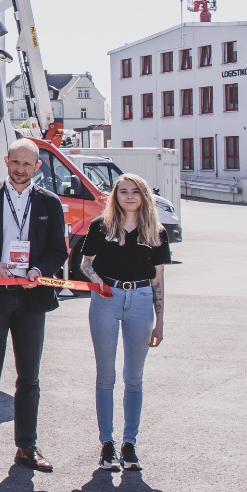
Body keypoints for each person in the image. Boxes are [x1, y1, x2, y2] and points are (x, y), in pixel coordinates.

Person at [0, 138, 68, 473]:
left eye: (28, 164)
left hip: (31, 299)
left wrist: (40, 270)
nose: (21, 170)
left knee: (29, 378)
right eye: (16, 162)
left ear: (37, 167)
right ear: (6, 161)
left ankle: (26, 446)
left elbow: (58, 250)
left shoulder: (50, 203)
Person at [78, 172, 170, 473]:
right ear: (115, 196)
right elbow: (85, 263)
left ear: (144, 196)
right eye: (123, 191)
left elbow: (158, 278)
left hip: (141, 300)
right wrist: (98, 282)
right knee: (106, 376)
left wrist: (160, 320)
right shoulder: (100, 226)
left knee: (134, 377)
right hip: (107, 299)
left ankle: (129, 443)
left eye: (135, 192)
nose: (129, 197)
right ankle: (107, 443)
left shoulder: (155, 231)